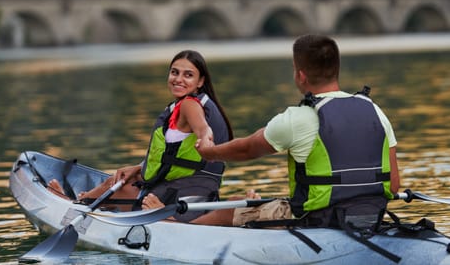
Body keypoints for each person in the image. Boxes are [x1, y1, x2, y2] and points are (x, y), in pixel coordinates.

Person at [184, 34, 400, 228]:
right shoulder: (374, 111)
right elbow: (395, 184)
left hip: (316, 219)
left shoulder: (298, 118)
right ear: (336, 70)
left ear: (300, 75)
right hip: (371, 216)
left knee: (231, 209)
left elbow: (246, 149)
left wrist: (209, 152)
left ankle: (180, 231)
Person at [48, 49, 233, 222]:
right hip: (198, 195)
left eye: (188, 75)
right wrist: (139, 168)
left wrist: (207, 141)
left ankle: (75, 204)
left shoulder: (189, 105)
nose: (178, 79)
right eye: (174, 72)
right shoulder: (195, 104)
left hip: (181, 198)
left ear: (200, 82)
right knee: (125, 178)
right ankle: (83, 201)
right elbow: (173, 155)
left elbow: (202, 128)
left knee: (116, 185)